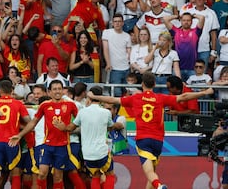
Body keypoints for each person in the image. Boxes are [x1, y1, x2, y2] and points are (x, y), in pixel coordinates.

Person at [86, 72, 214, 189]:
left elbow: (112, 100)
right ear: (154, 84)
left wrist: (95, 96)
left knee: (149, 172)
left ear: (142, 84)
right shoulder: (160, 98)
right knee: (152, 172)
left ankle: (159, 186)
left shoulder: (135, 98)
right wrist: (204, 92)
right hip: (158, 140)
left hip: (143, 139)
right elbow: (184, 96)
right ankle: (156, 185)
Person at [9, 80, 83, 189]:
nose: (57, 91)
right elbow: (33, 122)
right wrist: (20, 135)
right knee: (42, 173)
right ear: (49, 92)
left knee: (58, 177)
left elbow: (79, 122)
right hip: (47, 145)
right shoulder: (44, 105)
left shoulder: (70, 105)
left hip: (63, 146)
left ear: (62, 90)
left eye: (59, 89)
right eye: (54, 89)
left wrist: (66, 128)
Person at [53, 86, 120, 188]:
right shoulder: (106, 113)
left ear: (89, 97)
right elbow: (111, 126)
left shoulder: (82, 112)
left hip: (87, 154)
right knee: (109, 174)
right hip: (101, 151)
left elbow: (71, 128)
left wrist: (63, 127)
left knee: (95, 176)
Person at [0, 79, 31, 189]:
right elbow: (29, 121)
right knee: (16, 172)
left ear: (0, 91)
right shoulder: (18, 104)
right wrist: (20, 133)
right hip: (12, 141)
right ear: (12, 90)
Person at [162, 13, 204, 82]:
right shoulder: (175, 32)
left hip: (192, 68)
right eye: (184, 20)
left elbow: (202, 18)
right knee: (176, 90)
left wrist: (193, 16)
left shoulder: (196, 32)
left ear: (192, 22)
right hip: (177, 68)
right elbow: (165, 19)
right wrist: (177, 16)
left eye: (188, 20)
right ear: (181, 21)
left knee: (192, 91)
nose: (186, 22)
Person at [102, 13, 131, 96]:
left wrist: (129, 63)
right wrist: (108, 63)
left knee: (126, 93)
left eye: (119, 21)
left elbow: (128, 51)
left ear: (123, 23)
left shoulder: (127, 36)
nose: (117, 23)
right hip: (114, 68)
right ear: (112, 23)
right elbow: (105, 49)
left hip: (126, 67)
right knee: (116, 93)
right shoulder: (107, 32)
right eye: (115, 21)